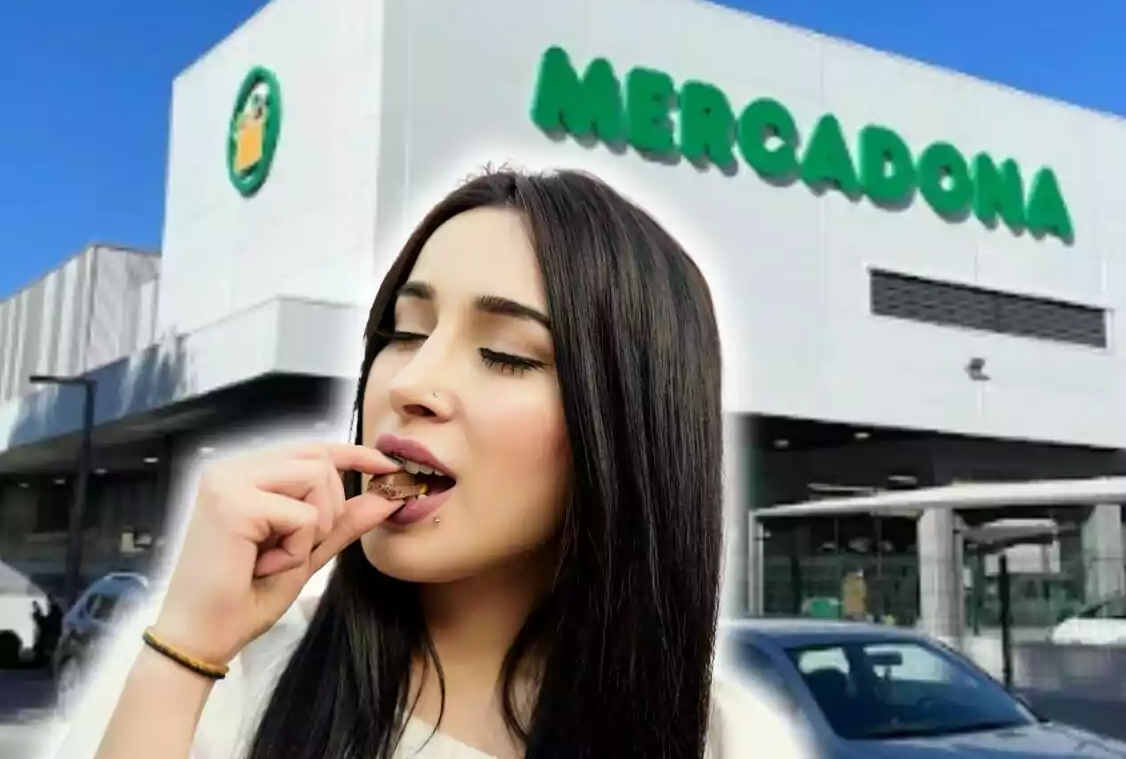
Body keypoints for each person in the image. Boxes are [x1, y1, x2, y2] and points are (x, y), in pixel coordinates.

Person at [81, 168, 809, 758]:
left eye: (507, 354)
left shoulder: (722, 739)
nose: (408, 384)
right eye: (404, 332)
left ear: (627, 426)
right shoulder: (230, 670)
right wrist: (184, 652)